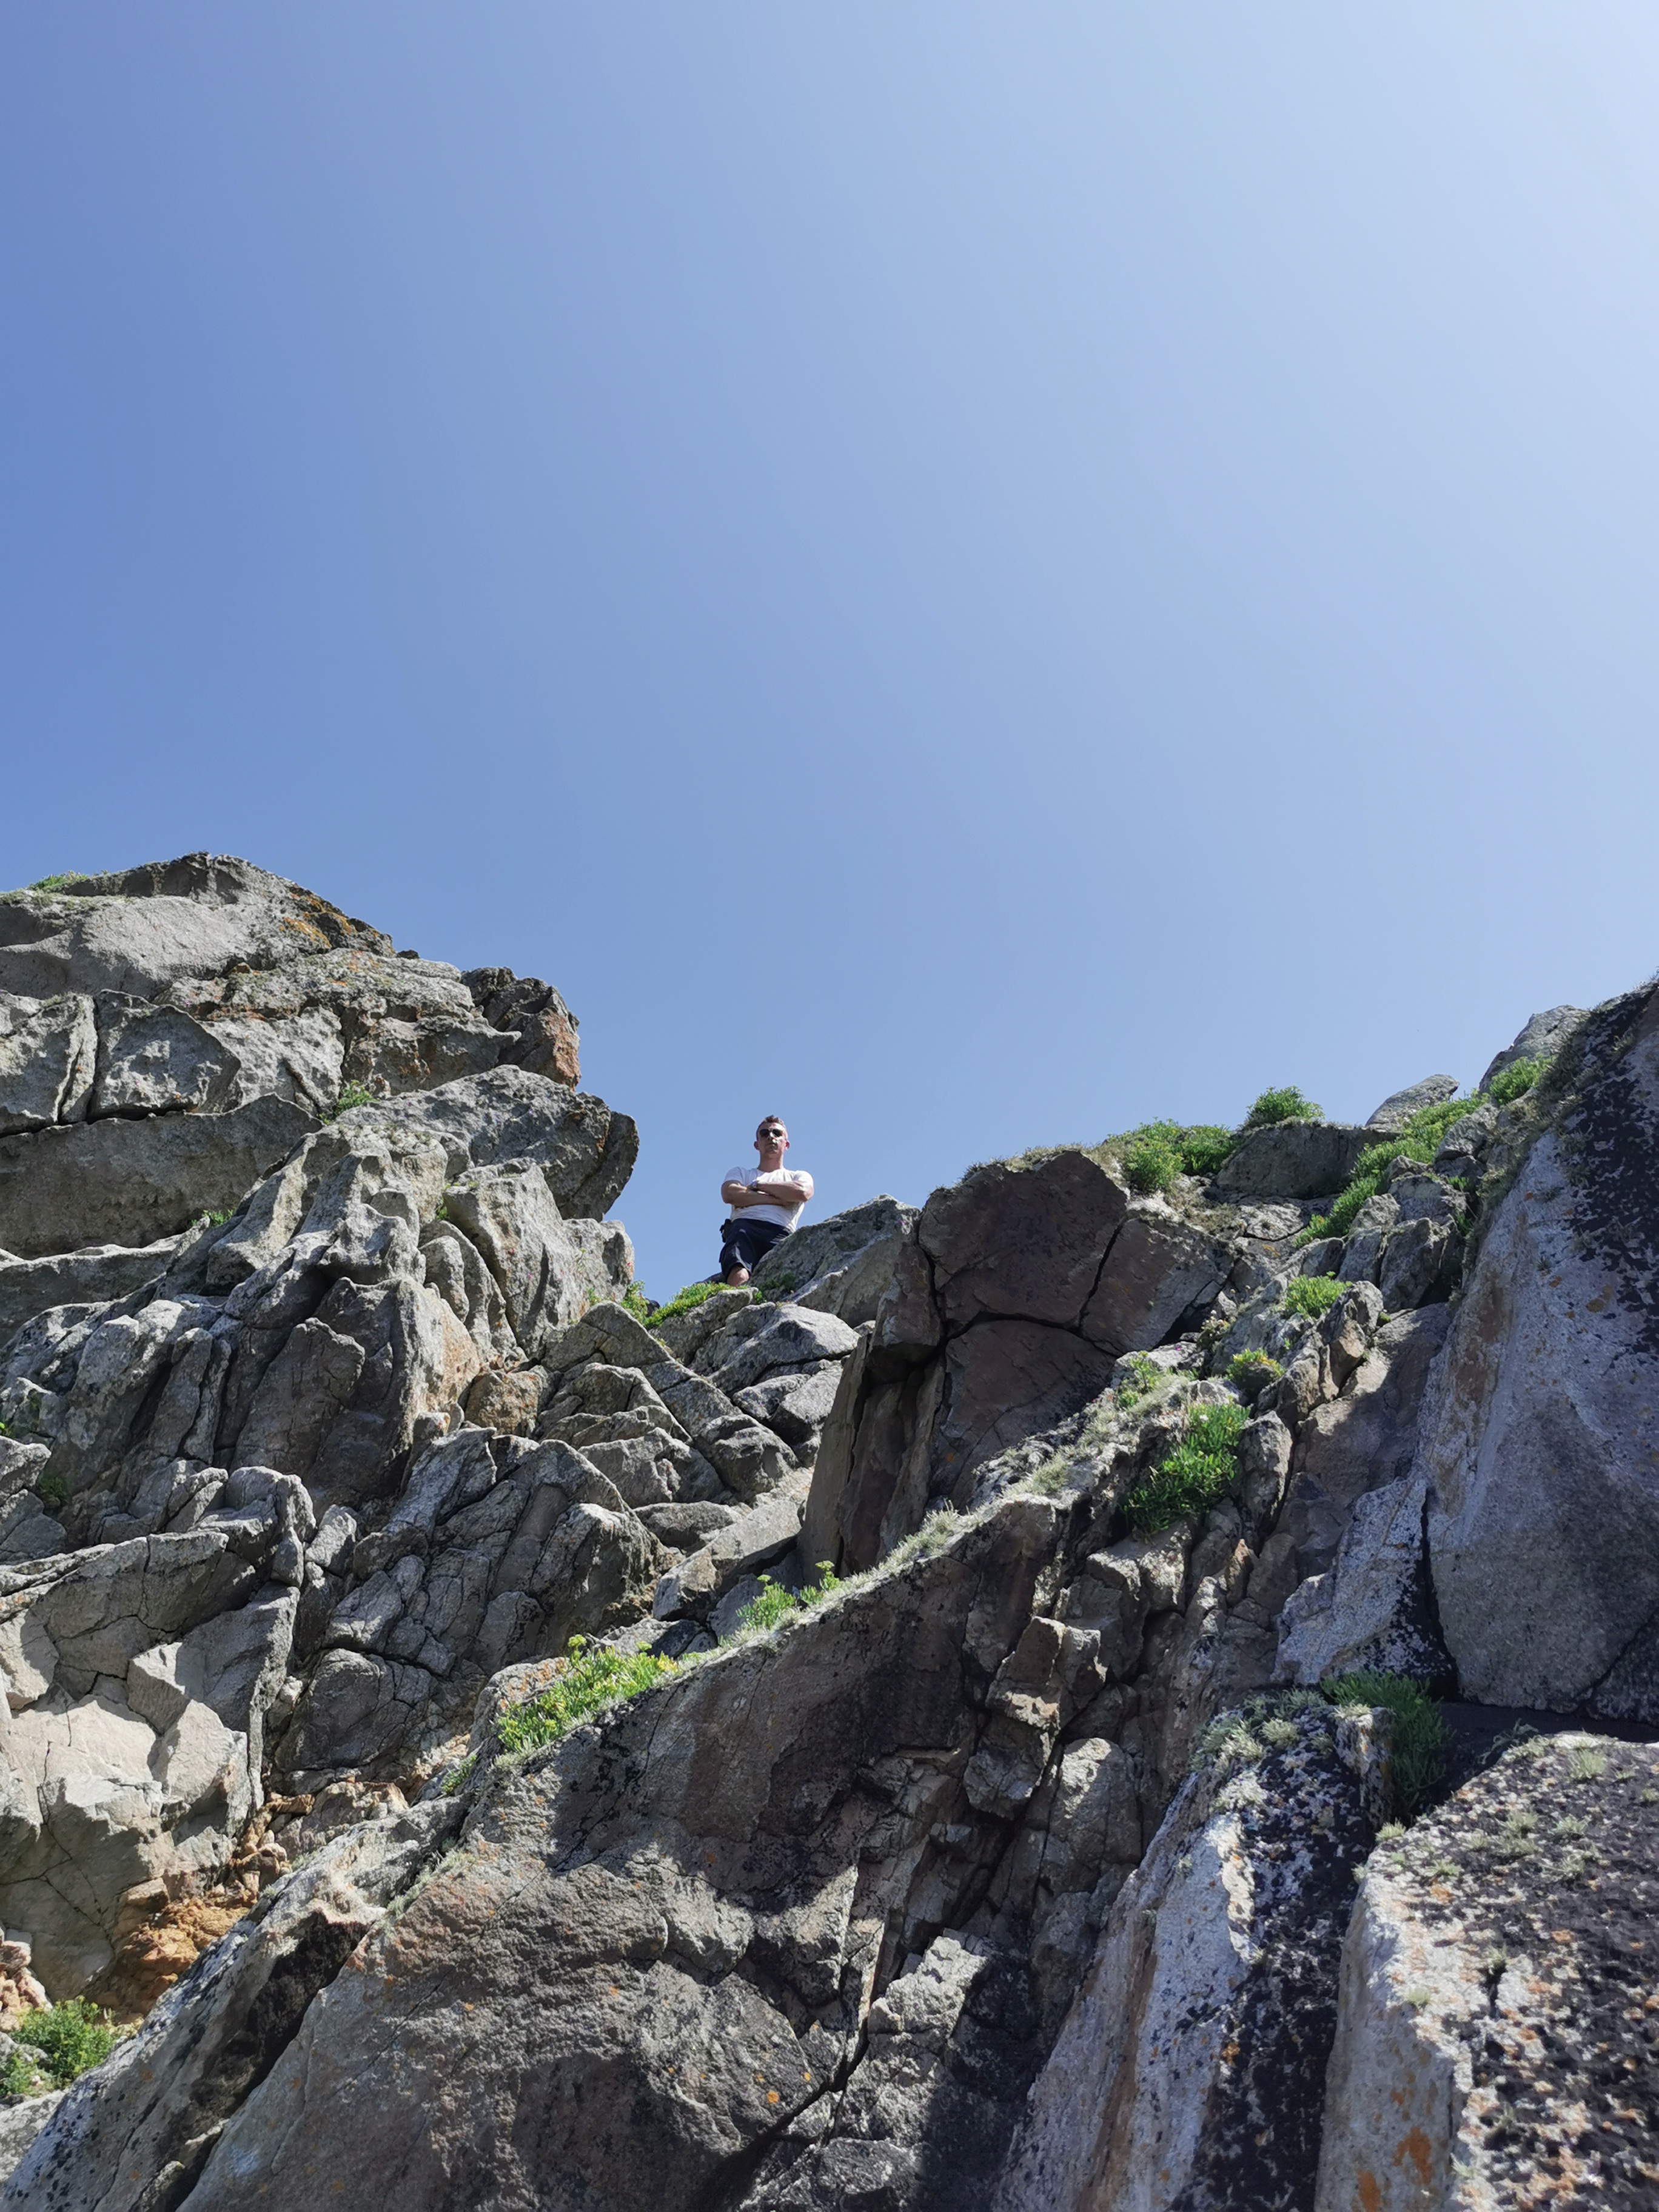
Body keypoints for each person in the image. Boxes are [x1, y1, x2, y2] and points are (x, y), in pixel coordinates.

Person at [719, 1116, 813, 1284]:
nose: (771, 1136)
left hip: (781, 1233)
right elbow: (730, 1194)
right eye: (764, 1133)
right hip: (744, 1229)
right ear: (757, 1145)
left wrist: (758, 1186)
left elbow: (802, 1192)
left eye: (777, 1133)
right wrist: (779, 1200)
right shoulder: (741, 1173)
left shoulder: (798, 1176)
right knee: (739, 1275)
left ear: (786, 1144)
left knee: (780, 1284)